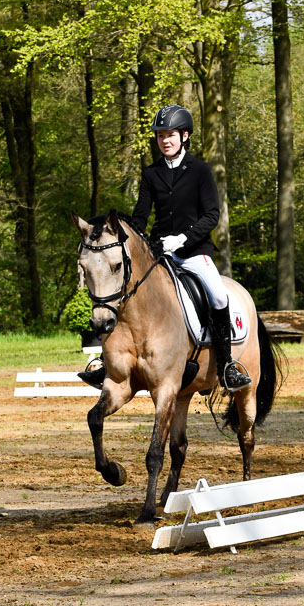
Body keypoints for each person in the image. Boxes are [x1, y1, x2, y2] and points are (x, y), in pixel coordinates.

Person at [79, 104, 251, 392]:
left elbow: (211, 215)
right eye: (160, 136)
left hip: (194, 251)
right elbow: (140, 216)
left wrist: (183, 238)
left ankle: (226, 365)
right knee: (124, 290)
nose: (164, 140)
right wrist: (130, 235)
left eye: (170, 135)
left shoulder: (200, 170)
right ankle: (107, 362)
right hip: (159, 253)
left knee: (219, 296)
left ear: (184, 136)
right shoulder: (151, 174)